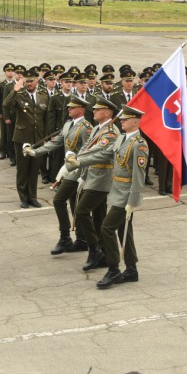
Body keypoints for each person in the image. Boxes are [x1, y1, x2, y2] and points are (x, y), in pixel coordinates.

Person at [24, 95, 92, 254]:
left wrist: (84, 174)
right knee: (75, 205)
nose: (68, 109)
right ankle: (81, 239)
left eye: (72, 108)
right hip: (68, 170)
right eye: (69, 107)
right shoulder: (68, 124)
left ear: (81, 109)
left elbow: (88, 152)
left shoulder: (86, 128)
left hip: (78, 171)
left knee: (59, 200)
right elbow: (55, 142)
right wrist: (35, 152)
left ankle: (66, 238)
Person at [65, 96, 120, 272]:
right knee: (98, 217)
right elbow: (87, 147)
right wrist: (75, 156)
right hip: (92, 176)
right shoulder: (98, 128)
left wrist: (79, 161)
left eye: (98, 109)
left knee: (81, 211)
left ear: (107, 113)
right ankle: (103, 253)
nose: (94, 111)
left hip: (102, 178)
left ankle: (94, 249)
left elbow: (102, 154)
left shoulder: (111, 132)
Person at [96, 105, 148, 289]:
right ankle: (132, 269)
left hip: (126, 196)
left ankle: (113, 269)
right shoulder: (121, 139)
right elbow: (103, 153)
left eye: (125, 119)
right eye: (122, 119)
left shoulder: (139, 144)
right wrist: (79, 160)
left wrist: (132, 201)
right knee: (124, 230)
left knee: (106, 228)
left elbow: (138, 176)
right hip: (116, 191)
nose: (122, 121)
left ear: (135, 121)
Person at [4, 69, 49, 209]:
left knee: (34, 170)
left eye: (31, 81)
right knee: (23, 170)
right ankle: (23, 198)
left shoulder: (43, 96)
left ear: (37, 80)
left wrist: (46, 137)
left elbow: (46, 118)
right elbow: (6, 104)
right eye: (26, 81)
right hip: (23, 138)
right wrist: (15, 90)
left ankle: (32, 197)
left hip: (38, 139)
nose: (29, 83)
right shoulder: (19, 95)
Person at [0, 63, 17, 165]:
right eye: (8, 71)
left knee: (11, 133)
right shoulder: (1, 84)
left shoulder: (17, 84)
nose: (10, 72)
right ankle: (3, 151)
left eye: (12, 71)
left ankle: (11, 151)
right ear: (5, 72)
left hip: (12, 112)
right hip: (4, 112)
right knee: (4, 133)